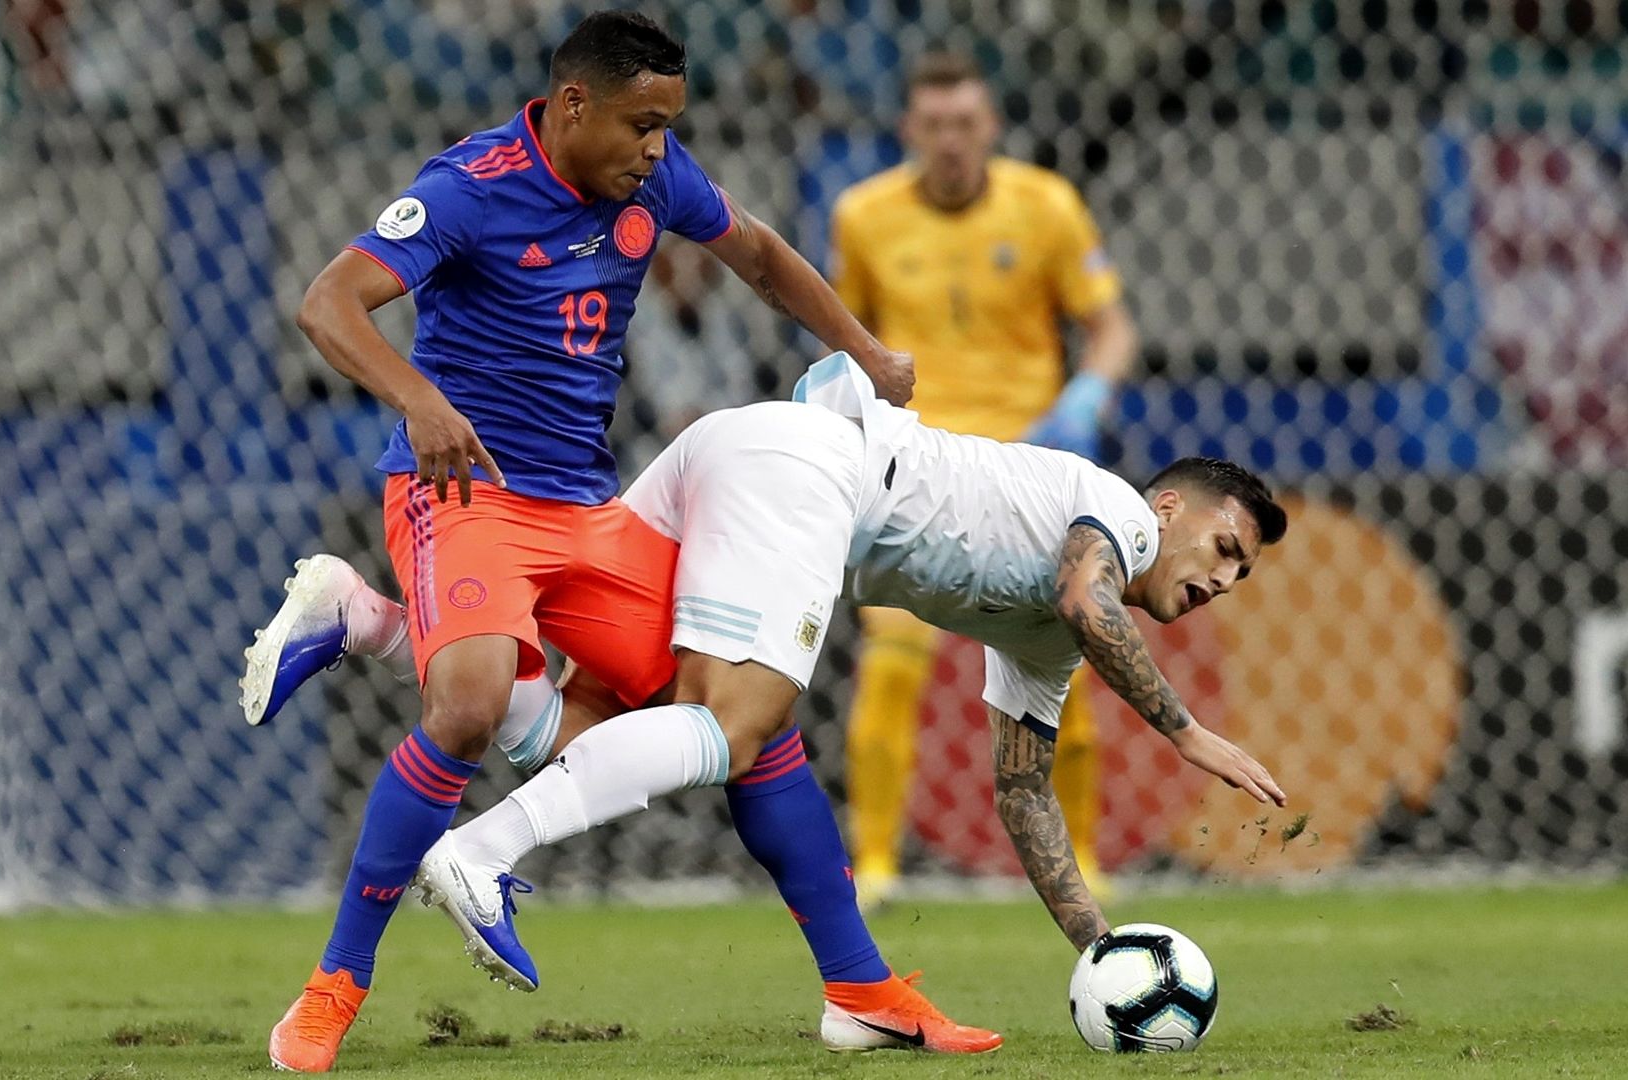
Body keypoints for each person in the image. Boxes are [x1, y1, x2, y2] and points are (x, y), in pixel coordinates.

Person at [260, 10, 966, 1071]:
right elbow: (328, 305)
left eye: (667, 126)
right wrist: (418, 400)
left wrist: (864, 350)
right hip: (463, 494)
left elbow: (760, 254)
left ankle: (862, 987)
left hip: (589, 512)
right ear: (573, 103)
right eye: (642, 124)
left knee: (740, 709)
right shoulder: (468, 187)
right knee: (468, 707)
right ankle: (332, 989)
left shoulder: (657, 178)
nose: (656, 148)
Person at [252, 354, 1285, 1048]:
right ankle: (482, 852)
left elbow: (1024, 794)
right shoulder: (1117, 521)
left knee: (597, 725)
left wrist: (1100, 948)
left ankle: (369, 624)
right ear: (1168, 508)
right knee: (736, 729)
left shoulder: (1047, 642)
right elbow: (1088, 598)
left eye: (1240, 575)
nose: (1222, 578)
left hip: (738, 458)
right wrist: (1187, 733)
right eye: (1225, 547)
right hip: (809, 474)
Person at [828, 52, 1141, 909]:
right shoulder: (864, 216)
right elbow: (845, 335)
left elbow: (1112, 329)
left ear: (991, 126)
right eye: (934, 125)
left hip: (1030, 471)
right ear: (909, 130)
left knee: (1068, 666)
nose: (951, 141)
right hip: (917, 470)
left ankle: (1084, 860)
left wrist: (1086, 396)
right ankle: (877, 867)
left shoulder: (1047, 205)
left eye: (965, 123)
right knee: (893, 663)